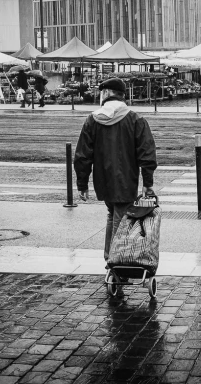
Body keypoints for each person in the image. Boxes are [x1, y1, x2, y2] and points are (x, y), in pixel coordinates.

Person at [74, 77, 158, 263]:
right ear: (122, 96)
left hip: (103, 181)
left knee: (113, 215)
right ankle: (116, 263)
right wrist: (148, 182)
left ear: (105, 94)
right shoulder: (135, 119)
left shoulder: (92, 120)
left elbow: (82, 155)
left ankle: (109, 258)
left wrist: (82, 184)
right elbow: (147, 152)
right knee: (121, 221)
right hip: (126, 181)